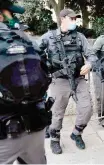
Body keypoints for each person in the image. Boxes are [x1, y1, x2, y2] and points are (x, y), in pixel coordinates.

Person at [0, 1, 52, 163]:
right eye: (10, 14)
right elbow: (45, 69)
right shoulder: (22, 38)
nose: (13, 18)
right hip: (34, 126)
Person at [39, 8, 97, 154]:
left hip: (78, 78)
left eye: (75, 19)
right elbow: (35, 52)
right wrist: (45, 65)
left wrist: (89, 64)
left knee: (87, 108)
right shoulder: (49, 37)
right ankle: (54, 139)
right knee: (57, 112)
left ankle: (77, 133)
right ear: (62, 19)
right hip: (59, 80)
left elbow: (92, 55)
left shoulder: (79, 37)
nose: (74, 21)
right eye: (71, 19)